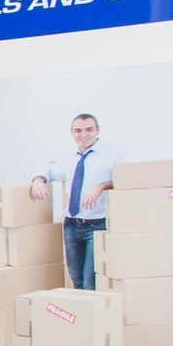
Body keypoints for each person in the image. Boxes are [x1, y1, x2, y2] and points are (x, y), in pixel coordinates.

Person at [30, 113, 122, 291]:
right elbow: (49, 170)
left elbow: (127, 179)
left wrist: (101, 186)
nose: (83, 135)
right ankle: (82, 316)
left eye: (89, 129)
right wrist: (38, 179)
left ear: (98, 130)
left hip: (97, 225)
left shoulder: (113, 154)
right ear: (72, 132)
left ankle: (92, 317)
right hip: (71, 225)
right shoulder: (68, 157)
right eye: (78, 130)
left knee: (90, 282)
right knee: (77, 280)